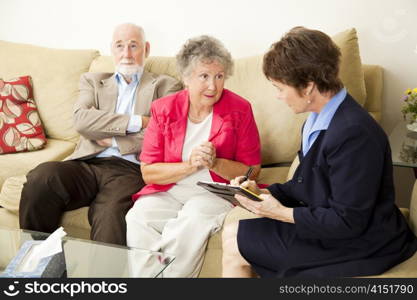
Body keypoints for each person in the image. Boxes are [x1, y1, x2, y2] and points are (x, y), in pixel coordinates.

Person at [222, 27, 417, 278]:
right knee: (232, 234)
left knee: (235, 243)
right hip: (331, 228)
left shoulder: (354, 134)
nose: (279, 97)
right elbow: (306, 185)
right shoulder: (317, 121)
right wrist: (260, 191)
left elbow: (348, 221)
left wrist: (278, 212)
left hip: (363, 242)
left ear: (308, 87)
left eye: (280, 88)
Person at [19, 23, 182, 246]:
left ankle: (104, 280)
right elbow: (82, 121)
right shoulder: (92, 81)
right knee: (41, 178)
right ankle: (35, 264)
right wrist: (140, 121)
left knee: (111, 213)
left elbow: (165, 136)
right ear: (112, 50)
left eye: (134, 46)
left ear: (146, 49)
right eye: (120, 46)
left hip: (130, 169)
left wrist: (114, 139)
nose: (127, 54)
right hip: (87, 163)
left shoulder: (166, 86)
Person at [125, 35, 261, 277]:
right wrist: (190, 165)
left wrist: (215, 162)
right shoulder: (164, 108)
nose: (213, 86)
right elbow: (148, 172)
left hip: (212, 191)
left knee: (191, 221)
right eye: (204, 76)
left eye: (219, 76)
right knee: (138, 217)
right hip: (169, 190)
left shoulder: (240, 109)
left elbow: (252, 170)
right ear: (186, 78)